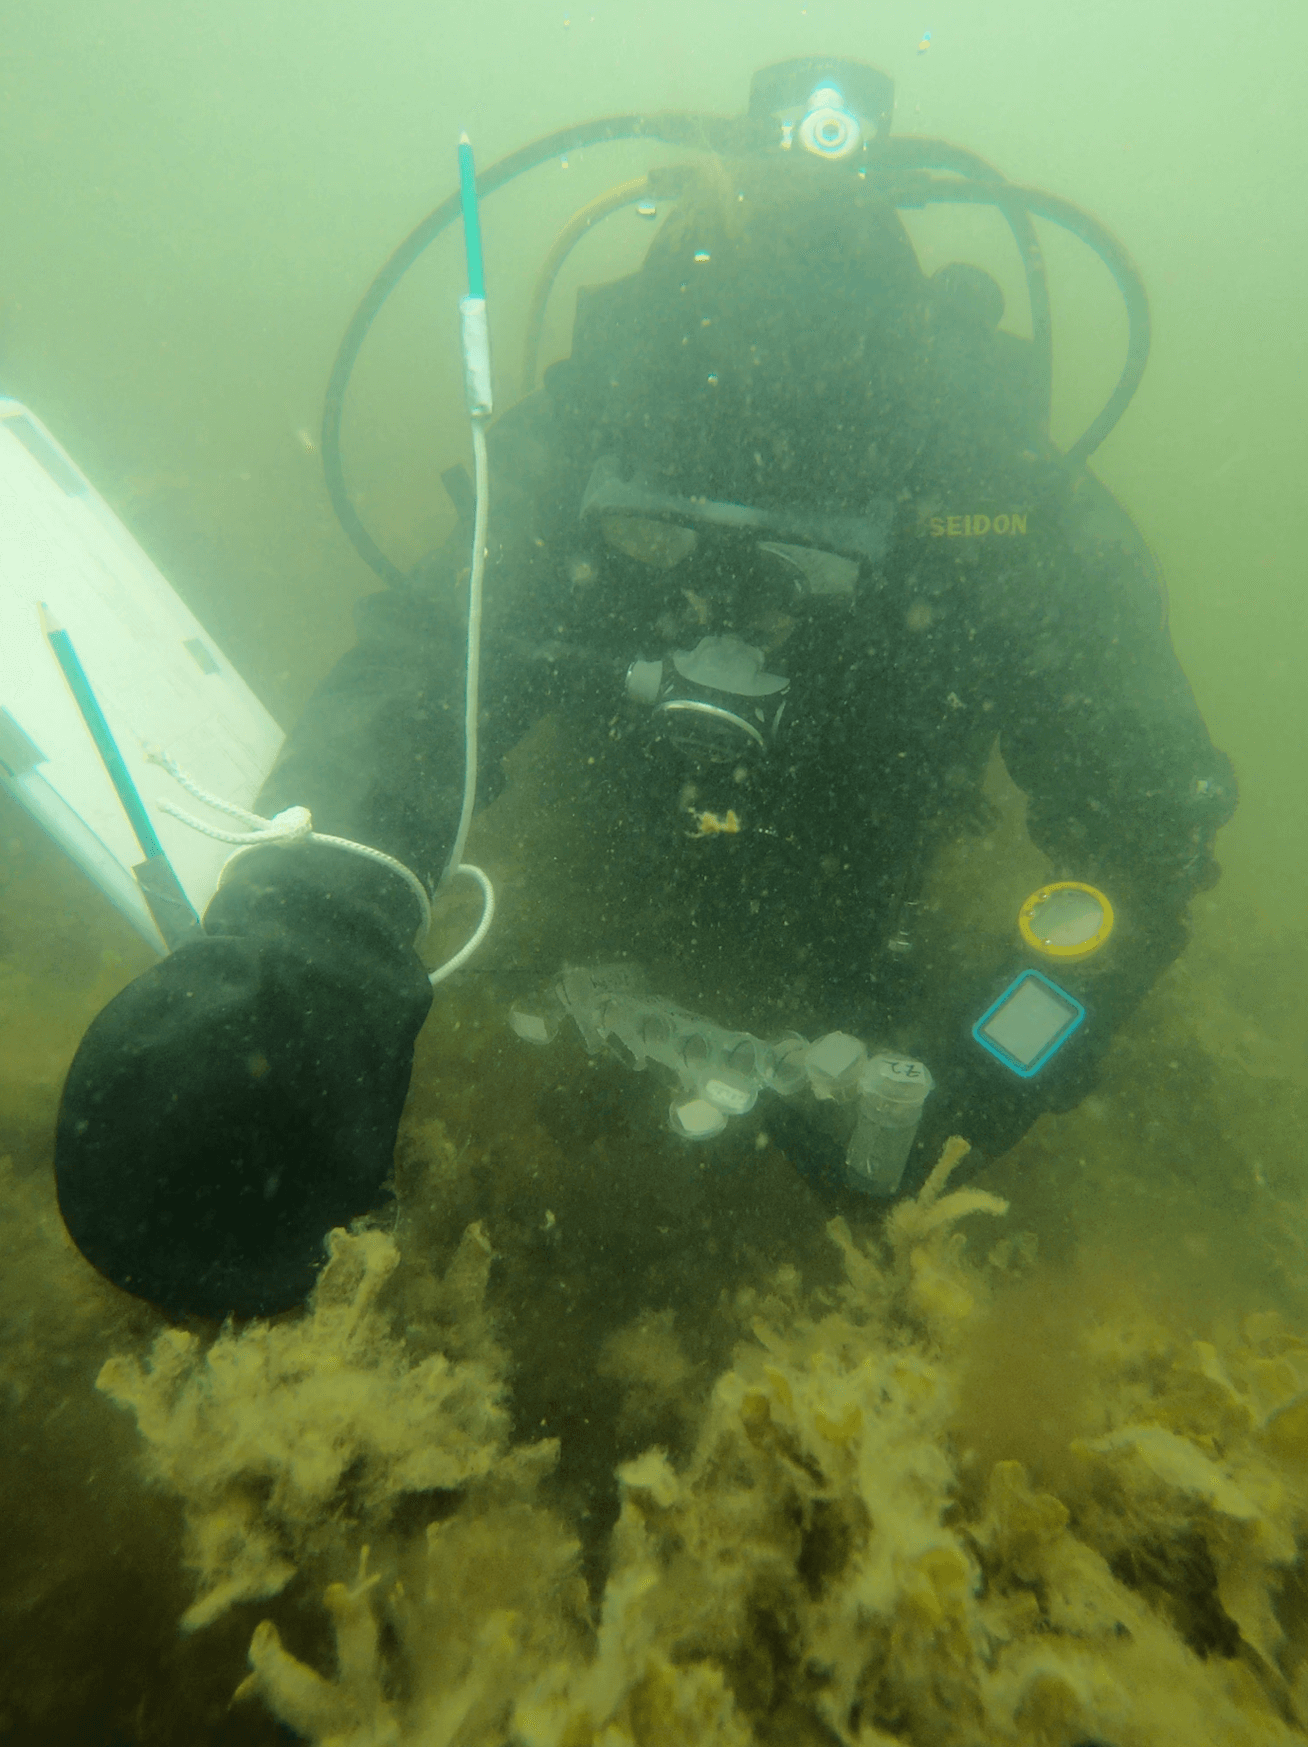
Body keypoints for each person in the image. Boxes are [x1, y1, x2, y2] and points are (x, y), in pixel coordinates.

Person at [53, 101, 1236, 1321]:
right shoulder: (588, 428)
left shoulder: (995, 503)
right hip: (596, 847)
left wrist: (986, 1061)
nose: (731, 611)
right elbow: (425, 667)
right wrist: (312, 922)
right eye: (662, 532)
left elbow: (1145, 831)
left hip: (871, 884)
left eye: (803, 565)